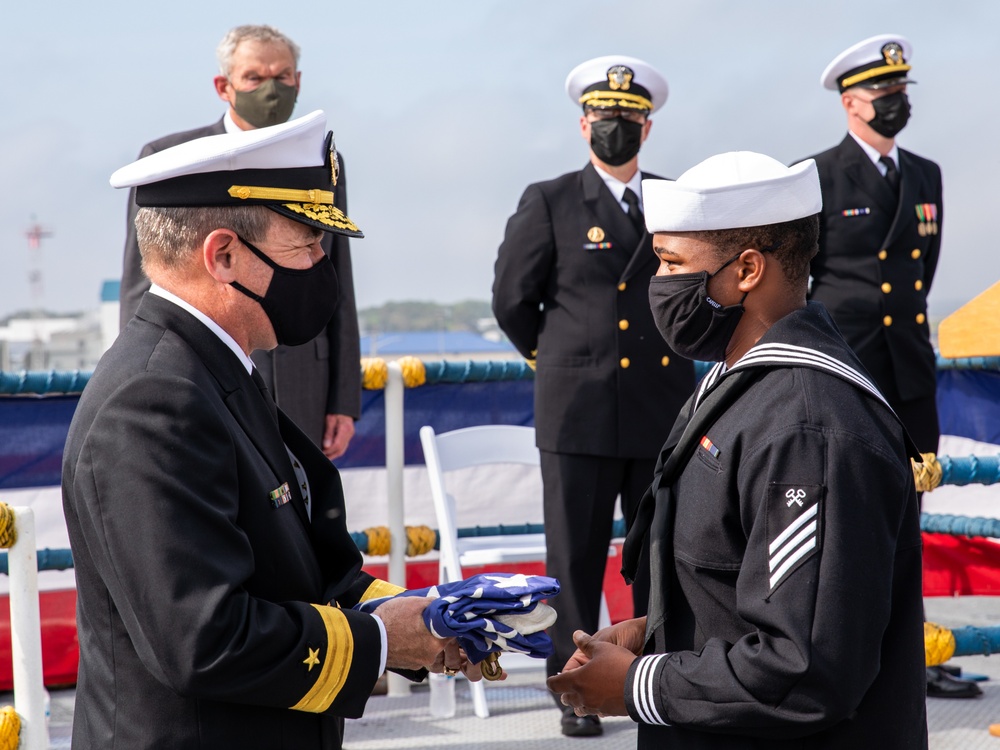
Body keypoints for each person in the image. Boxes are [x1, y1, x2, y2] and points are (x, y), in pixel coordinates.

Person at [63, 111, 475, 749]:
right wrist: (386, 638)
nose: (321, 267)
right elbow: (206, 638)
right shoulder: (153, 400)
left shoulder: (217, 367)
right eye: (307, 245)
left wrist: (436, 616)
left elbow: (298, 570)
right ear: (224, 255)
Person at [547, 151, 927, 748]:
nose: (660, 284)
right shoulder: (740, 385)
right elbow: (742, 584)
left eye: (673, 262)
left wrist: (639, 685)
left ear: (747, 268)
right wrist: (658, 633)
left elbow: (807, 666)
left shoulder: (807, 427)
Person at [492, 55, 695, 737]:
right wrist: (559, 359)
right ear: (584, 124)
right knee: (573, 563)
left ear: (648, 126)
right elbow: (513, 300)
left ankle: (650, 680)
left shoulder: (673, 200)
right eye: (605, 116)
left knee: (658, 557)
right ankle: (576, 689)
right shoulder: (549, 200)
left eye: (629, 118)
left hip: (660, 409)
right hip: (577, 408)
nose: (617, 126)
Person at [798, 35, 974, 699]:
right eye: (883, 94)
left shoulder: (924, 174)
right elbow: (804, 279)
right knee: (842, 522)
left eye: (902, 92)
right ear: (850, 103)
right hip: (848, 372)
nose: (896, 103)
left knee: (908, 523)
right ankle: (844, 660)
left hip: (908, 373)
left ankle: (908, 659)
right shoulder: (817, 175)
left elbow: (918, 277)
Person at [119, 24, 360, 460]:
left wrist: (344, 399)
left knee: (298, 513)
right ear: (224, 86)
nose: (271, 89)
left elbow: (335, 277)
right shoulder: (172, 160)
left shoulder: (321, 164)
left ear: (298, 81)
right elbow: (144, 283)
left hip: (305, 381)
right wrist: (141, 378)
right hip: (205, 377)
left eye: (283, 76)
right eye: (254, 77)